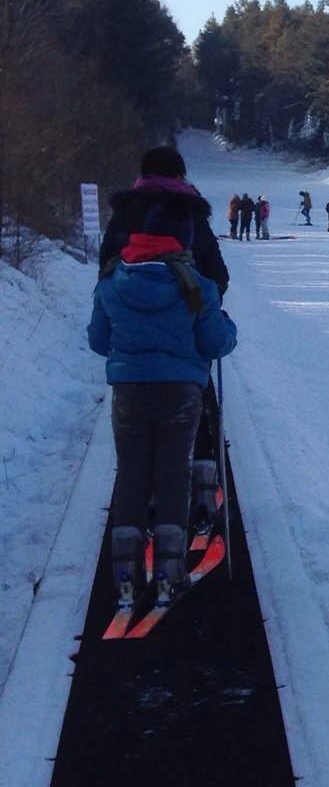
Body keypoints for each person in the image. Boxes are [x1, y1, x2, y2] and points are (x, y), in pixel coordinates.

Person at [88, 196, 238, 619]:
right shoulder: (196, 287)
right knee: (173, 473)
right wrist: (227, 326)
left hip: (130, 392)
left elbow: (99, 341)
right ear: (182, 242)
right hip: (180, 392)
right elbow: (216, 343)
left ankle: (124, 577)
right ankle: (170, 573)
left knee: (131, 473)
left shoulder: (112, 281)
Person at [100, 146, 230, 299]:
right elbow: (217, 273)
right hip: (186, 309)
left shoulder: (126, 210)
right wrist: (203, 310)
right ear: (178, 176)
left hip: (126, 309)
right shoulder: (189, 210)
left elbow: (106, 262)